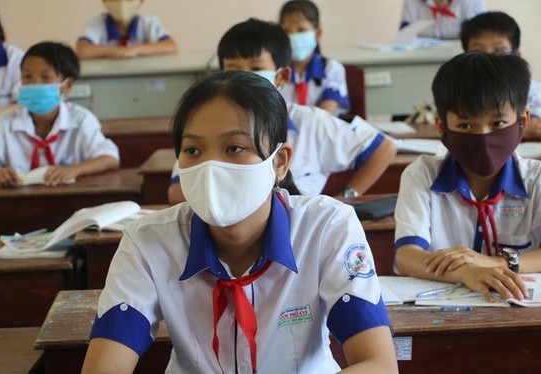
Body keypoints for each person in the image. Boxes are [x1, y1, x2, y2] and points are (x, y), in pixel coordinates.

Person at [82, 70, 397, 373]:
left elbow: (378, 364)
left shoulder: (326, 226)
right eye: (193, 150)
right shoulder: (147, 241)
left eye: (234, 148)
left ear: (280, 162)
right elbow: (106, 367)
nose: (210, 167)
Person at [167, 18, 396, 205]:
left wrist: (349, 196)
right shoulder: (208, 126)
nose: (246, 77)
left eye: (256, 68)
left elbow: (383, 146)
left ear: (282, 77)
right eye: (234, 69)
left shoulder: (310, 122)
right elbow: (177, 191)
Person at [394, 52, 541, 303]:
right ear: (442, 127)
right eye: (466, 126)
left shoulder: (536, 179)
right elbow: (406, 255)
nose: (483, 137)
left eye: (497, 123)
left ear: (522, 121)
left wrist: (493, 263)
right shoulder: (422, 174)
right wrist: (466, 272)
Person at [0, 42, 120, 186]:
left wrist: (74, 170)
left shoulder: (81, 120)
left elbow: (110, 158)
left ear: (67, 85)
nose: (34, 84)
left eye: (45, 77)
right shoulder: (6, 122)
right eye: (27, 77)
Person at [460, 11, 541, 139]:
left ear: (517, 56)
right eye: (477, 53)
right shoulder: (459, 92)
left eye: (499, 52)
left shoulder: (535, 94)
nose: (488, 61)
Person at [278, 0, 350, 116]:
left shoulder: (331, 69)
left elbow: (326, 116)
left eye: (301, 29)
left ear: (318, 33)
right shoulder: (276, 71)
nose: (293, 36)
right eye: (286, 31)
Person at [76, 0, 177, 59]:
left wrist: (135, 50)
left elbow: (170, 46)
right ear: (104, 1)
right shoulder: (95, 24)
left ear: (140, 1)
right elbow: (82, 50)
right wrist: (118, 51)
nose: (122, 2)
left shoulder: (149, 23)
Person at [400, 0, 486, 40]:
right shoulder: (411, 2)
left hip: (459, 58)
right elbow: (404, 36)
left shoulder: (472, 2)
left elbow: (476, 37)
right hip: (418, 58)